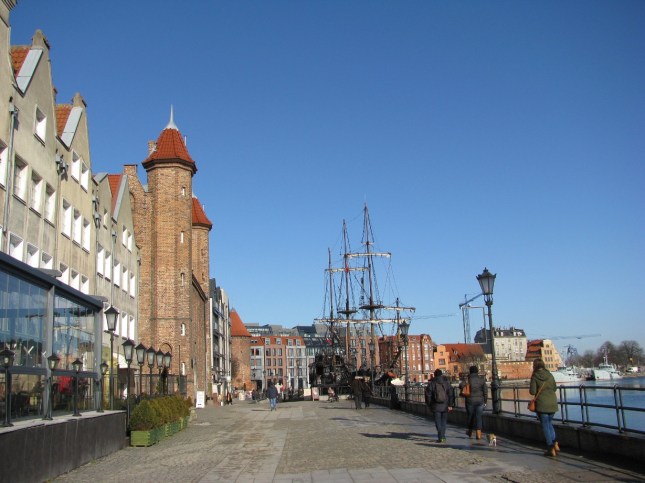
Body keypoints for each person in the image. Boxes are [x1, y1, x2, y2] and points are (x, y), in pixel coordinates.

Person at [529, 358, 559, 457]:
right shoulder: (550, 375)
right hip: (552, 403)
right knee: (549, 423)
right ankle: (555, 443)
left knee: (545, 426)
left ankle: (550, 448)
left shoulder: (535, 376)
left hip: (542, 404)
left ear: (535, 366)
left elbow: (532, 392)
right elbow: (554, 388)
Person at [425, 369, 453, 443]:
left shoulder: (432, 383)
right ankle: (442, 436)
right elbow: (450, 394)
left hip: (435, 405)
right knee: (444, 422)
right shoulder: (446, 383)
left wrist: (429, 404)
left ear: (434, 375)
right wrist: (450, 404)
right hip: (445, 405)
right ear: (441, 374)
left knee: (438, 422)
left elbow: (428, 395)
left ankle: (441, 436)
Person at [460, 365, 487, 440]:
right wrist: (485, 401)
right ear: (477, 371)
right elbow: (485, 391)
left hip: (470, 401)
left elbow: (461, 386)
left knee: (470, 416)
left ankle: (470, 431)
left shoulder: (467, 380)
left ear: (470, 371)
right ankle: (478, 434)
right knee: (479, 417)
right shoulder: (481, 380)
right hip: (480, 401)